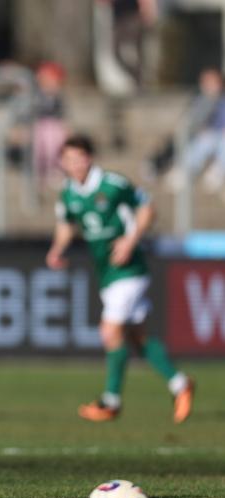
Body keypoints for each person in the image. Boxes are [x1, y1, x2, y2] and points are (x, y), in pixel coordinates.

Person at [46, 135, 194, 423]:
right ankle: (180, 384)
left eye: (79, 158)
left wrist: (130, 240)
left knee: (109, 331)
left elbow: (148, 209)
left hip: (129, 268)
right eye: (68, 160)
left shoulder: (112, 185)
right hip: (106, 271)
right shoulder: (67, 192)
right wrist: (56, 250)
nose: (74, 165)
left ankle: (111, 401)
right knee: (139, 336)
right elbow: (66, 225)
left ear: (89, 157)